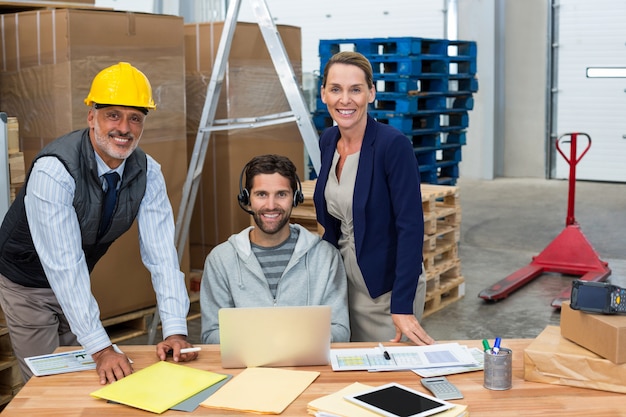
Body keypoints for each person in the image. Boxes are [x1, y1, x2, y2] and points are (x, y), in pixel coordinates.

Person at [0, 62, 197, 384]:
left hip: (78, 278)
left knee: (85, 381)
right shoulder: (55, 171)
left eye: (135, 117)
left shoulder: (149, 173)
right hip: (27, 285)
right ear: (92, 116)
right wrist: (101, 348)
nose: (124, 127)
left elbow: (163, 258)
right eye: (113, 115)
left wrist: (176, 330)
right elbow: (63, 265)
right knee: (48, 385)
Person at [313, 51, 435, 345]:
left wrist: (402, 305)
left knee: (386, 376)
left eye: (355, 89)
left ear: (371, 93)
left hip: (386, 289)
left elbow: (411, 227)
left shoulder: (392, 145)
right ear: (323, 95)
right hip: (343, 283)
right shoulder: (328, 140)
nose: (345, 99)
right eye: (336, 89)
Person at [200, 154, 350, 344]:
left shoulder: (325, 257)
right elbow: (212, 335)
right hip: (247, 370)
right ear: (247, 198)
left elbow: (340, 330)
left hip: (308, 369)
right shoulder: (221, 260)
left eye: (281, 194)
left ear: (295, 198)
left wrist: (281, 343)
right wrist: (275, 342)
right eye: (261, 194)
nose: (271, 206)